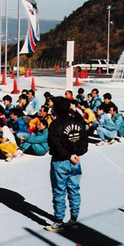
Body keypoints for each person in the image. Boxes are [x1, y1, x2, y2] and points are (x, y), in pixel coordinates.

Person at [45, 97, 88, 232]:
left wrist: (68, 155)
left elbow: (55, 145)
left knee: (59, 191)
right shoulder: (78, 122)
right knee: (74, 189)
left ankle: (58, 221)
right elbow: (84, 143)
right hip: (76, 161)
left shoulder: (55, 125)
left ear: (56, 109)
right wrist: (76, 154)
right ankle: (74, 219)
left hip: (60, 161)